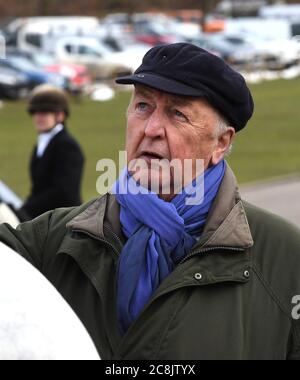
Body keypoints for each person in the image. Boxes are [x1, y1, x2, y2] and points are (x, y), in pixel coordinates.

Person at [0, 43, 300, 360]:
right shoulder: (46, 243)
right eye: (143, 106)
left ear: (221, 143)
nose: (152, 129)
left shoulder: (285, 263)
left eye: (177, 113)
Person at [18, 85, 84, 221]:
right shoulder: (42, 143)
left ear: (60, 115)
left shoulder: (67, 145)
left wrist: (26, 211)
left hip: (64, 220)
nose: (39, 116)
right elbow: (38, 189)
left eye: (45, 112)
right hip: (46, 217)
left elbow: (63, 192)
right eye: (36, 112)